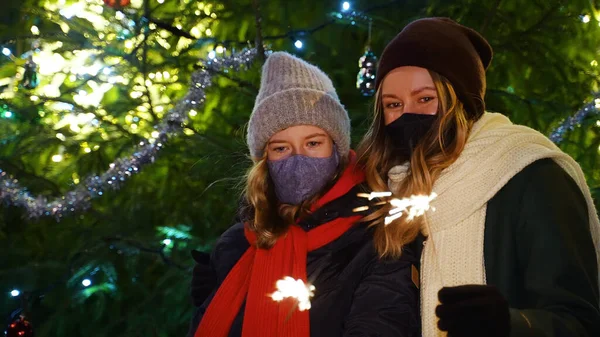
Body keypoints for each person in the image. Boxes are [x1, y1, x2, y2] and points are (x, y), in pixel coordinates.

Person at [357, 17, 600, 337]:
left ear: (460, 100)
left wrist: (510, 325)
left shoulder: (532, 175)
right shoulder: (388, 193)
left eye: (425, 98)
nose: (407, 113)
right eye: (393, 104)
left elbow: (581, 321)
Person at [187, 51, 420, 337]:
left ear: (337, 150)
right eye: (281, 148)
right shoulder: (235, 244)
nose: (298, 159)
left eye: (313, 143)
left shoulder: (378, 238)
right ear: (264, 161)